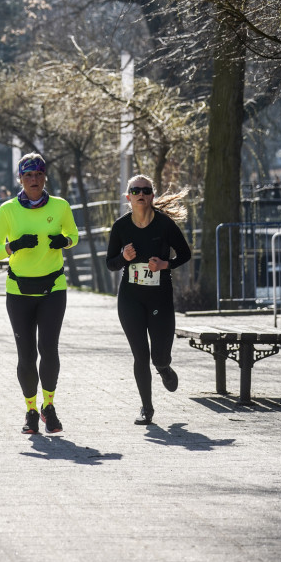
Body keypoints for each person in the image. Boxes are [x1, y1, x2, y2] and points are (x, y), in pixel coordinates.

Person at [0, 153, 79, 435]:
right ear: (20, 179)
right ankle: (30, 410)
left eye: (39, 174)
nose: (34, 180)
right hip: (19, 291)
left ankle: (48, 406)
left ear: (45, 177)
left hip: (53, 288)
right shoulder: (8, 210)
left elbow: (74, 235)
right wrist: (12, 246)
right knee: (26, 355)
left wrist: (65, 241)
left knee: (48, 349)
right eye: (28, 176)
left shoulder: (61, 206)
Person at [106, 174, 191, 426]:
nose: (140, 194)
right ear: (128, 197)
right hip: (130, 298)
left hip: (160, 299)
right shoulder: (121, 227)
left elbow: (185, 253)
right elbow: (110, 264)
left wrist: (166, 264)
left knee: (159, 356)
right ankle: (147, 408)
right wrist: (123, 257)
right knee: (140, 356)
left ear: (152, 196)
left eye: (146, 190)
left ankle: (164, 367)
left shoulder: (164, 225)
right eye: (135, 190)